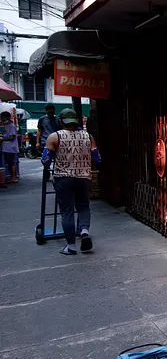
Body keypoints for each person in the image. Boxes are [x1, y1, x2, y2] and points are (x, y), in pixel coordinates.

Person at [42, 108, 101, 255]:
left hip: (63, 178)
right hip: (84, 178)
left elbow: (45, 160)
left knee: (67, 211)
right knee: (83, 206)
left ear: (60, 121)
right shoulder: (88, 136)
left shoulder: (54, 137)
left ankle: (71, 246)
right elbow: (97, 159)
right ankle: (84, 232)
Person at [1, 111, 19, 183]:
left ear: (8, 117)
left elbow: (12, 137)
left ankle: (14, 177)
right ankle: (11, 177)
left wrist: (2, 139)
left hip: (11, 148)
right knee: (8, 163)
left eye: (5, 117)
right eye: (3, 117)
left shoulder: (12, 126)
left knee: (12, 162)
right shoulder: (5, 125)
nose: (4, 118)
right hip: (6, 148)